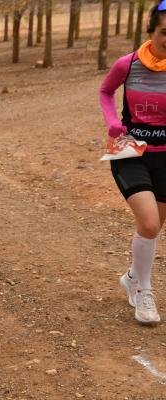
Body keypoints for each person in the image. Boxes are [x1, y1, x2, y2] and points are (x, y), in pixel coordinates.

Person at [99, 1, 166, 325]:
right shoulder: (128, 64)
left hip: (165, 154)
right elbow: (105, 91)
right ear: (151, 31)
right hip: (130, 149)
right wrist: (112, 121)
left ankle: (131, 277)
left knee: (150, 229)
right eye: (165, 32)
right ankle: (144, 291)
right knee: (151, 223)